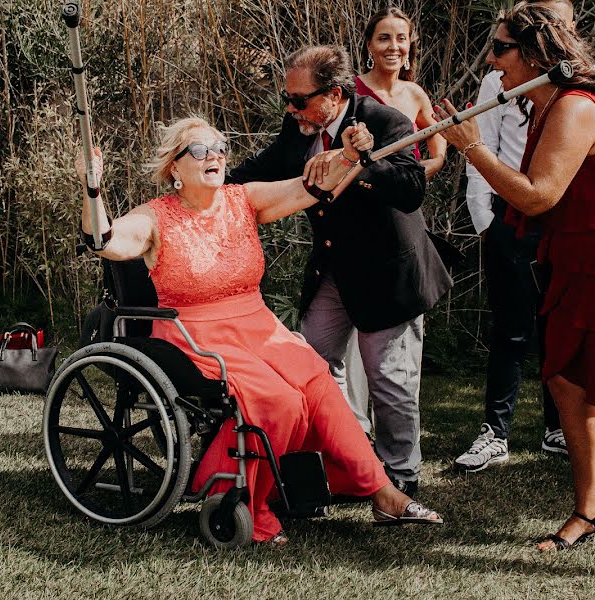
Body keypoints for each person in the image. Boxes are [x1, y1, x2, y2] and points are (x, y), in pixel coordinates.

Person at [75, 116, 442, 545]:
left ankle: (383, 494)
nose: (214, 155)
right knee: (280, 401)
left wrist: (347, 156)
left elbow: (309, 187)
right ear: (174, 168)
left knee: (317, 381)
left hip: (257, 324)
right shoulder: (155, 217)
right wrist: (92, 190)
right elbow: (105, 241)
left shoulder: (243, 199)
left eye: (219, 146)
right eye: (199, 150)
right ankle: (244, 497)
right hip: (195, 333)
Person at [435, 1, 595, 585]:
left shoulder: (576, 109)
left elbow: (536, 196)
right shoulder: (543, 106)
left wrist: (471, 146)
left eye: (501, 48)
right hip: (581, 265)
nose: (492, 59)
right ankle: (591, 509)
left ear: (535, 55)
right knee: (566, 382)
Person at [227, 45, 453, 498]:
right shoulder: (298, 128)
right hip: (334, 269)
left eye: (299, 100)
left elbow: (410, 191)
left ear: (333, 95)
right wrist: (206, 186)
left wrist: (363, 161)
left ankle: (402, 473)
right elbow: (258, 169)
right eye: (287, 100)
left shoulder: (385, 122)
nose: (290, 109)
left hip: (389, 274)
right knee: (310, 360)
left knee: (389, 379)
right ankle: (353, 451)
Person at [454, 0, 574, 473]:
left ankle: (558, 427)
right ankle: (495, 433)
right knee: (511, 327)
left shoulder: (576, 85)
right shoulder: (499, 80)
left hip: (561, 219)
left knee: (560, 327)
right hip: (509, 215)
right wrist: (486, 220)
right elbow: (480, 147)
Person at [340, 7, 448, 447]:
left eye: (401, 38)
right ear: (368, 45)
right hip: (355, 223)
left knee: (402, 342)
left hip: (402, 221)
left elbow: (438, 150)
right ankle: (355, 436)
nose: (393, 47)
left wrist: (411, 177)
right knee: (352, 342)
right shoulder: (351, 94)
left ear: (410, 46)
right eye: (383, 38)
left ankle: (399, 442)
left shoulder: (416, 95)